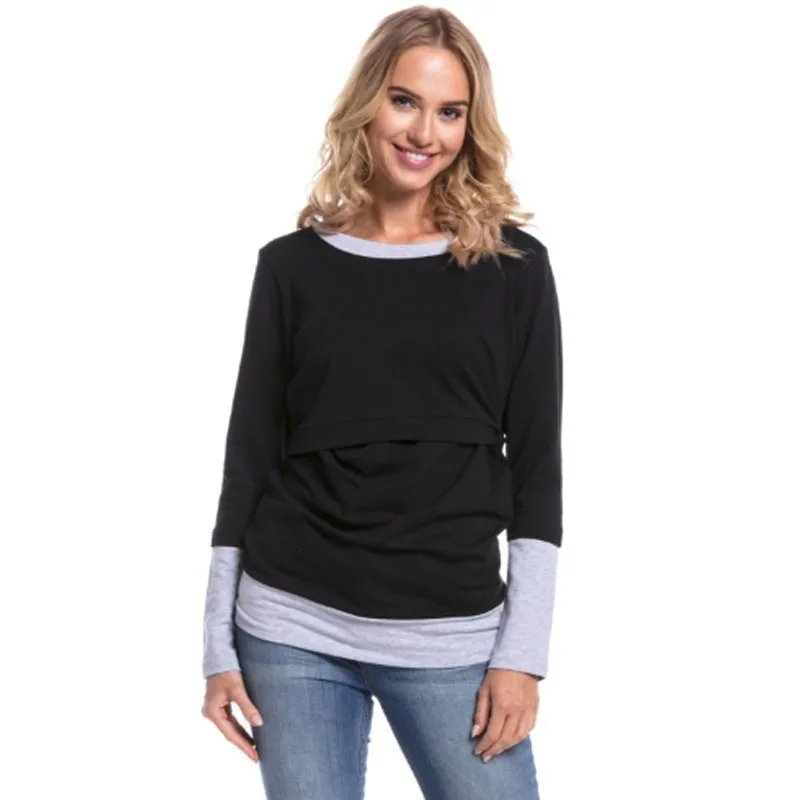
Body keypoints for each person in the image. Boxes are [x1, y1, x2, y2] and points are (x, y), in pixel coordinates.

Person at [200, 6, 563, 798]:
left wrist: (522, 656)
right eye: (404, 101)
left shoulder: (513, 269)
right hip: (290, 627)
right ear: (368, 102)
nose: (424, 132)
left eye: (450, 111)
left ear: (470, 124)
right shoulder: (292, 268)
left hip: (449, 632)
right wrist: (218, 646)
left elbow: (538, 467)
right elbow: (249, 454)